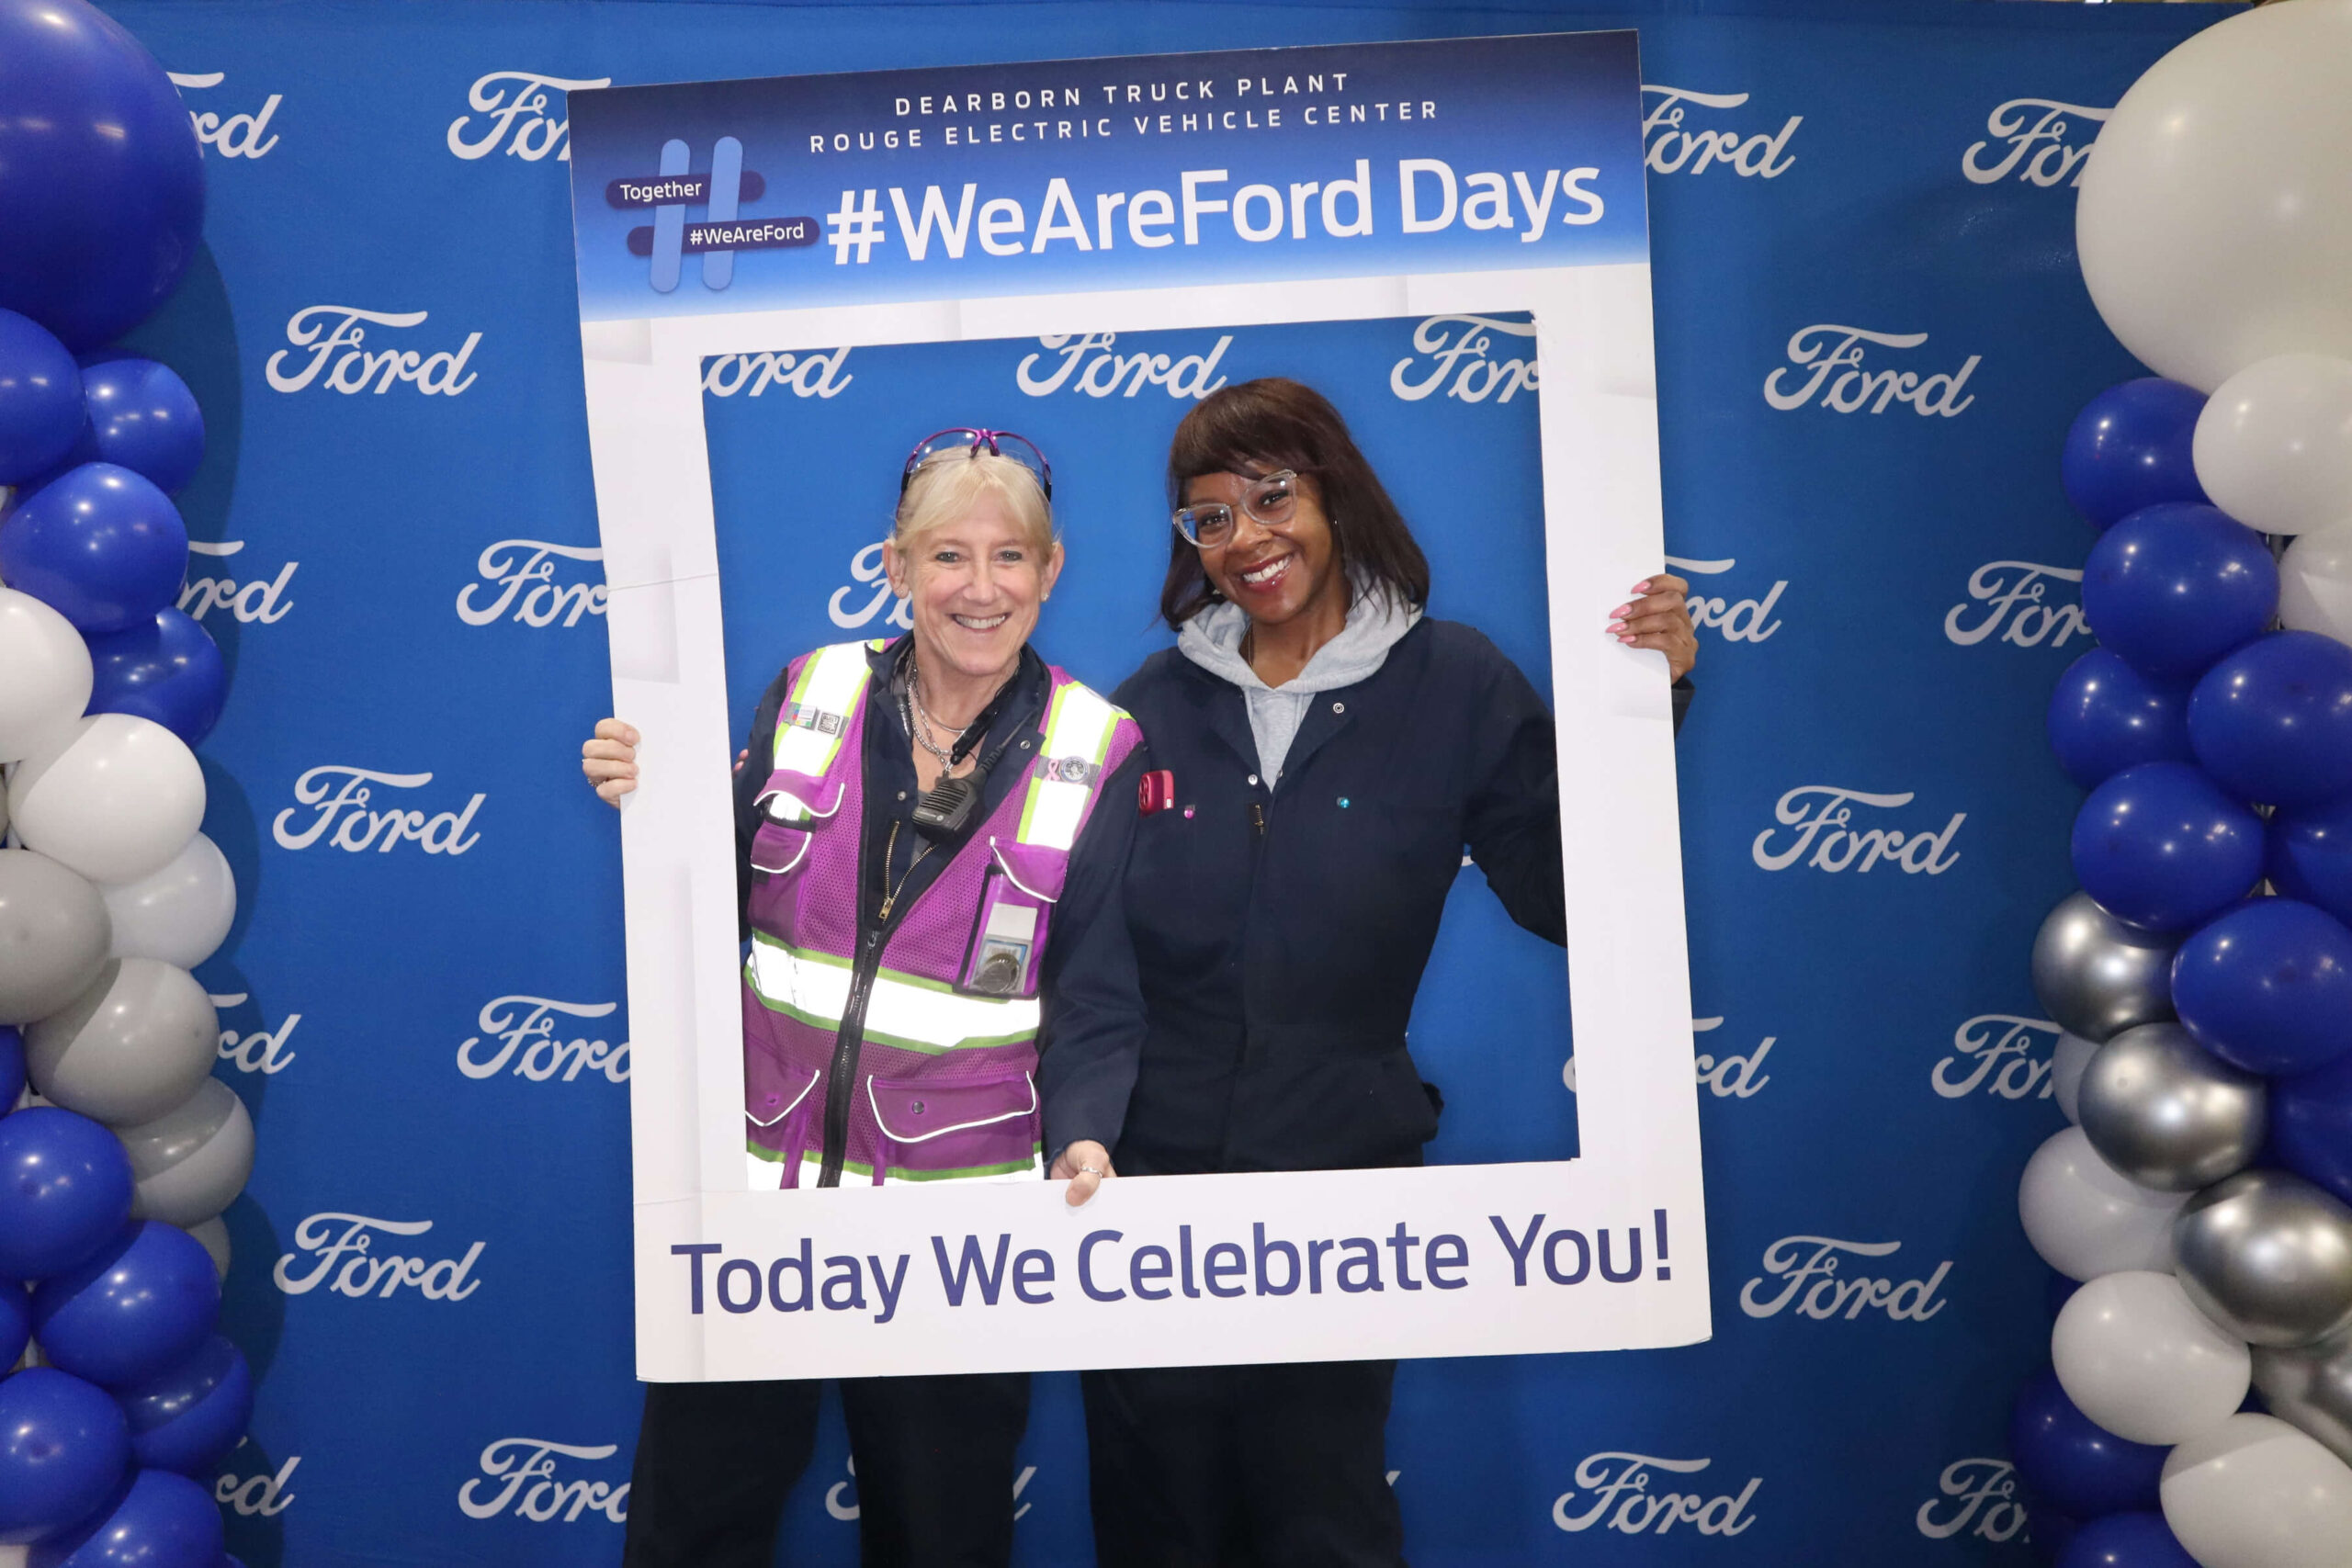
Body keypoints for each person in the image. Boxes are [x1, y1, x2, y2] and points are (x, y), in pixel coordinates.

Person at [1086, 378, 1696, 1567]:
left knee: (1323, 1513)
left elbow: (1575, 897)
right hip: (1147, 1180)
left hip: (1341, 1177)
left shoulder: (1458, 681)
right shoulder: (1146, 707)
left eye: (1273, 496)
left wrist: (1644, 707)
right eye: (1209, 517)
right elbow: (1073, 937)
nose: (1247, 537)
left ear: (1334, 490)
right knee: (1160, 1513)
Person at [579, 429, 1148, 1568]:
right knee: (695, 1524)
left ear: (1051, 572)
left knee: (943, 1537)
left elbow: (1095, 987)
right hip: (754, 1206)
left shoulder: (1100, 747)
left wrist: (1085, 1131)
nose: (978, 589)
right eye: (947, 557)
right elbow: (708, 887)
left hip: (954, 1231)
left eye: (1008, 558)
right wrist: (641, 786)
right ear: (895, 566)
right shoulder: (810, 691)